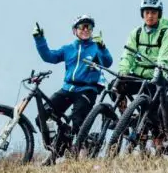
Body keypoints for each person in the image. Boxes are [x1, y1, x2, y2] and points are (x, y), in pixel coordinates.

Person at [33, 14, 112, 149]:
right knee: (41, 117)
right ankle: (61, 144)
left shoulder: (96, 48)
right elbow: (49, 57)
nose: (86, 29)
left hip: (87, 90)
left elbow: (108, 62)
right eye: (82, 26)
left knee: (78, 123)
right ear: (75, 30)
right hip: (67, 89)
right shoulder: (68, 48)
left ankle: (84, 147)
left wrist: (103, 47)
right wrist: (39, 39)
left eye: (89, 27)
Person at [120, 0, 168, 101]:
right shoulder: (136, 33)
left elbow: (164, 59)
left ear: (159, 14)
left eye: (154, 13)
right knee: (116, 86)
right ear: (142, 14)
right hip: (137, 75)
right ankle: (124, 116)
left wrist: (157, 76)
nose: (150, 16)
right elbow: (128, 54)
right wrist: (123, 71)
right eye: (147, 12)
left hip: (155, 78)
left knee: (151, 108)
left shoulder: (167, 34)